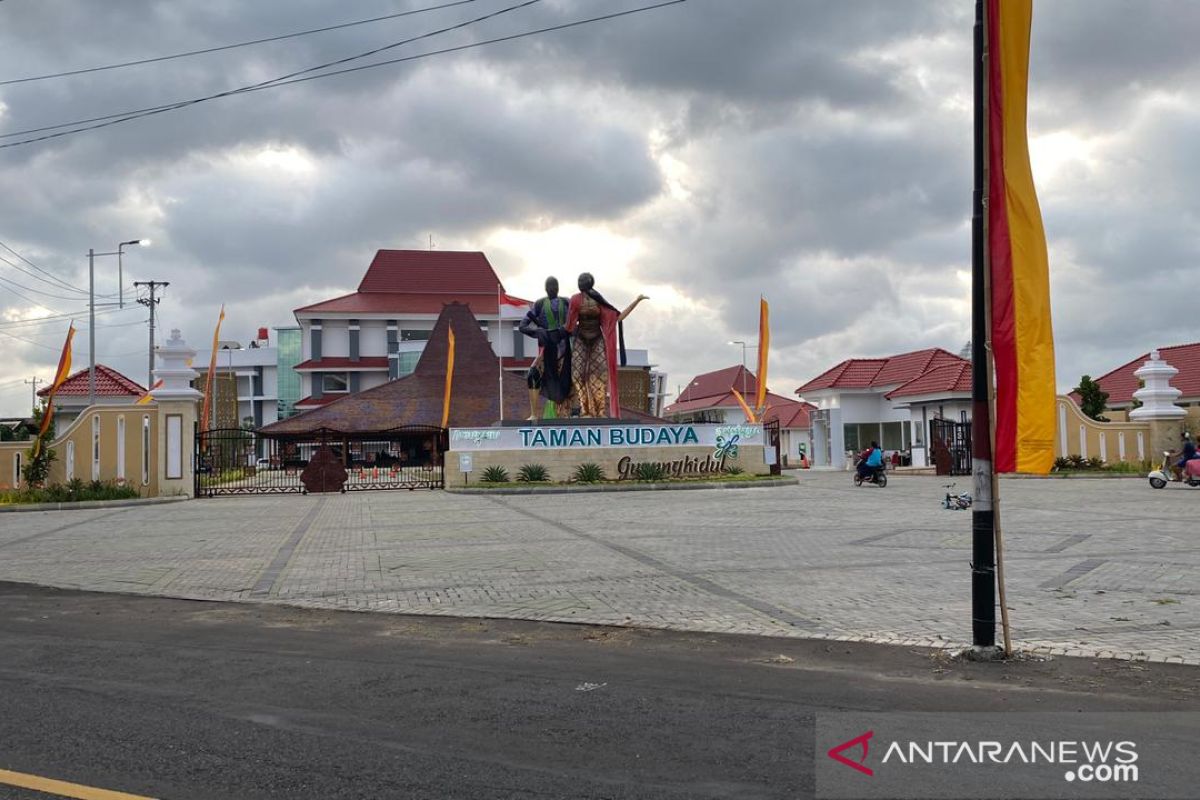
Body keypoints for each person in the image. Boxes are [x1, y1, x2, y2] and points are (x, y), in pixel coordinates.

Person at [564, 272, 648, 418]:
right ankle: (585, 410)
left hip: (597, 339)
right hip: (581, 339)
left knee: (600, 375)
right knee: (578, 375)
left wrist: (636, 301)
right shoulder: (575, 299)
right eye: (580, 280)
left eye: (582, 281)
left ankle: (600, 411)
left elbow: (617, 317)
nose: (580, 283)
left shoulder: (599, 301)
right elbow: (570, 325)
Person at [518, 276, 573, 420]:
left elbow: (577, 320)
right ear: (545, 289)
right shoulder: (539, 304)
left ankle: (580, 411)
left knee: (575, 378)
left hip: (566, 349)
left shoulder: (567, 302)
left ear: (558, 288)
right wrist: (538, 332)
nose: (552, 290)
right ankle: (534, 414)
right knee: (533, 374)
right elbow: (523, 326)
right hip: (547, 349)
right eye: (550, 287)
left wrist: (565, 330)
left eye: (554, 287)